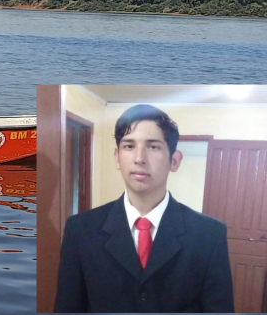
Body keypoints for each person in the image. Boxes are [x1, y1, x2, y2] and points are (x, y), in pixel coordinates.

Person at [54, 104, 234, 313]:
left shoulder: (209, 235)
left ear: (174, 161)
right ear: (117, 157)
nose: (139, 158)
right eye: (129, 146)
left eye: (153, 146)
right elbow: (68, 307)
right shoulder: (81, 230)